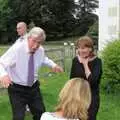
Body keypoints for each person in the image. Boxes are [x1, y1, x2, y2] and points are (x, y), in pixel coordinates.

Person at [0, 27, 63, 120]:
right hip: (17, 89)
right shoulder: (17, 49)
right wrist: (3, 75)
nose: (36, 46)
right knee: (18, 117)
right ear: (28, 38)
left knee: (41, 114)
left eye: (39, 42)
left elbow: (44, 58)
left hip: (34, 88)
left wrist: (53, 65)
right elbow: (1, 62)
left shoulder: (40, 50)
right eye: (34, 41)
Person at [70, 36, 102, 120]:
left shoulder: (97, 62)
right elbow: (72, 80)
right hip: (78, 96)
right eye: (79, 48)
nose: (80, 51)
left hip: (92, 97)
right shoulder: (75, 60)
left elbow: (93, 82)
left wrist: (85, 64)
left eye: (83, 48)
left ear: (90, 49)